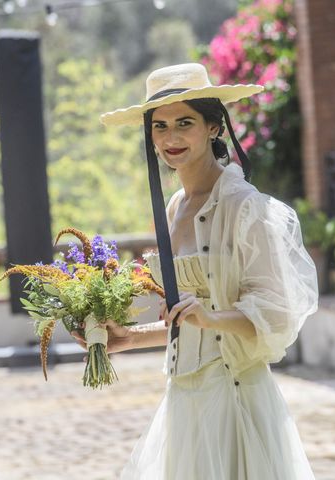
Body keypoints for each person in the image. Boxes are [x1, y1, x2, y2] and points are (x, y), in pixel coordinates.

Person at [71, 63, 319, 479]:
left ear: (214, 127)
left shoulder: (246, 208)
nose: (170, 138)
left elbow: (276, 314)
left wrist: (212, 315)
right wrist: (129, 337)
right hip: (183, 400)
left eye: (184, 123)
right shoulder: (175, 207)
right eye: (160, 126)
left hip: (234, 400)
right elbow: (188, 321)